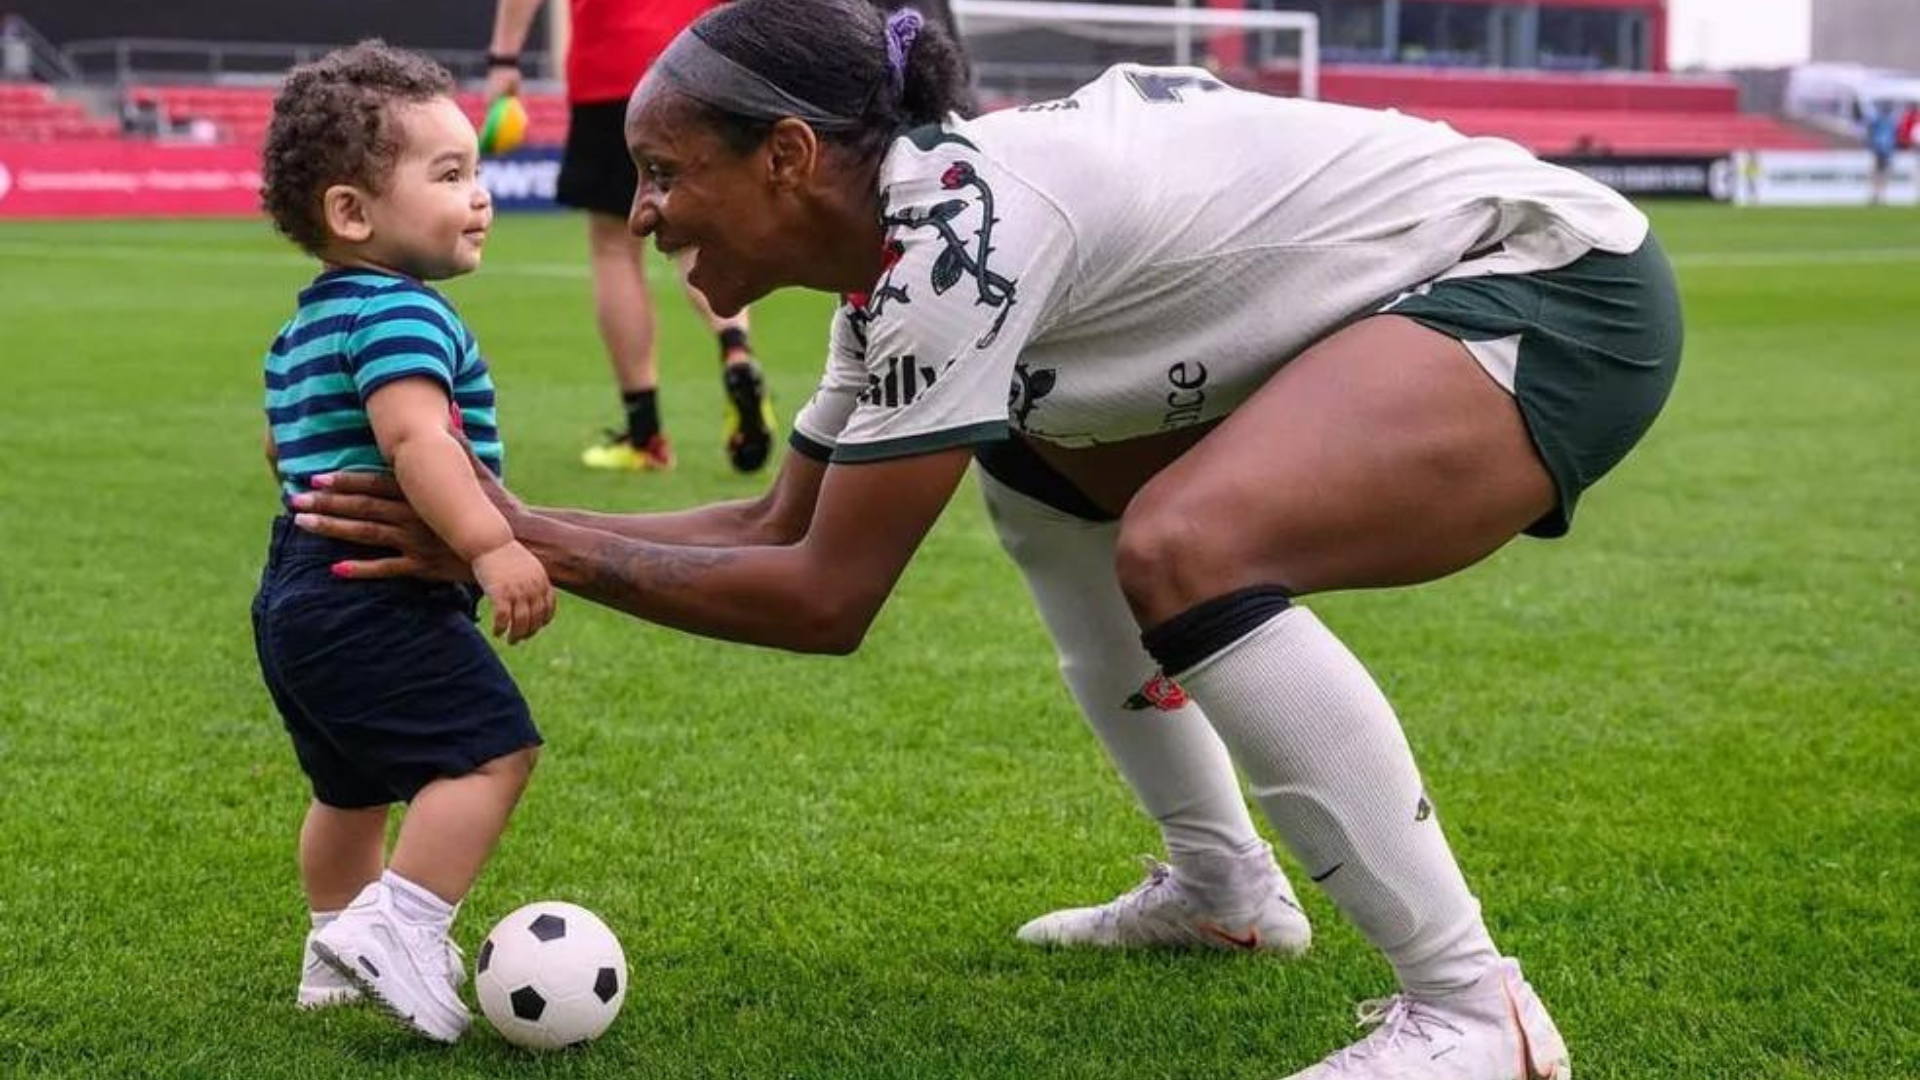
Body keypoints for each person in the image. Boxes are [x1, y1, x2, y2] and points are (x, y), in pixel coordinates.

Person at [293, 2, 1683, 1075]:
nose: (644, 210)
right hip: (1429, 293)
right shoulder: (895, 256)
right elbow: (781, 518)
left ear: (786, 157)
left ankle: (1468, 1009)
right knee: (1043, 477)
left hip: (1552, 290)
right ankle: (1223, 889)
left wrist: (527, 545)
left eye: (665, 172)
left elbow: (826, 595)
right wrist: (507, 530)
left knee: (1190, 545)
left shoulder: (959, 236)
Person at [255, 41, 553, 1043]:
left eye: (476, 170)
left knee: (348, 787)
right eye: (450, 174)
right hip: (376, 590)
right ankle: (404, 924)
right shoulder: (401, 313)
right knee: (490, 756)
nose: (482, 196)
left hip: (296, 589)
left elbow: (278, 444)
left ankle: (333, 951)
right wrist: (488, 545)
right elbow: (417, 438)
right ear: (353, 213)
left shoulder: (306, 326)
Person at [486, 0, 776, 473]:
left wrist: (503, 58)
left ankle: (646, 436)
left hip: (613, 70)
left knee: (614, 246)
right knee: (698, 235)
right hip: (702, 62)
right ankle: (735, 348)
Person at [1866, 100, 1899, 206]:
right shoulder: (1884, 121)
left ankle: (1878, 196)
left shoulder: (1884, 121)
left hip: (1882, 150)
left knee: (1880, 174)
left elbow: (1870, 134)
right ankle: (1877, 195)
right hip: (1882, 150)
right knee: (1880, 174)